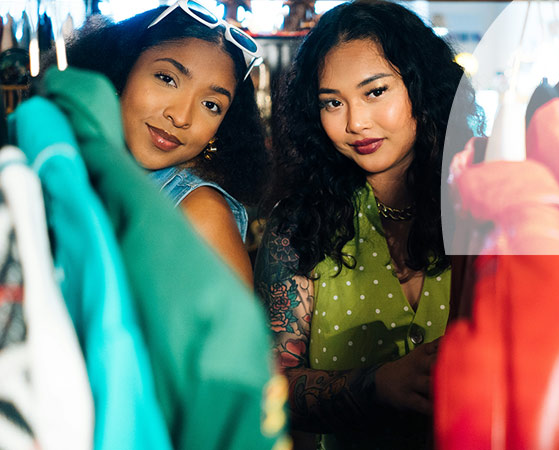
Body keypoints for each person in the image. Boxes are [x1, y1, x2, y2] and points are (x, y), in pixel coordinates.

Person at [255, 1, 482, 448]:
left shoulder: (482, 205)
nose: (356, 122)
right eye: (332, 103)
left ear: (422, 88)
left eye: (375, 92)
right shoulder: (299, 226)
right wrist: (375, 385)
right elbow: (267, 386)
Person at [49, 0, 268, 284]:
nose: (180, 117)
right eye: (167, 78)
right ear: (122, 71)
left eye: (211, 105)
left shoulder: (202, 215)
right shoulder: (69, 161)